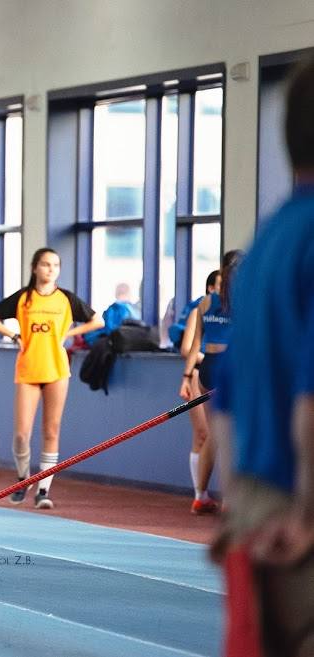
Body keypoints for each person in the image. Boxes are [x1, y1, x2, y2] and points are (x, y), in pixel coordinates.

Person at [211, 57, 314, 657]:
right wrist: (306, 514)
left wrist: (237, 513)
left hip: (255, 500)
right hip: (298, 515)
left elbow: (226, 401)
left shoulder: (266, 240)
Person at [0, 247, 103, 510]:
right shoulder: (24, 298)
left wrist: (69, 334)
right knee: (22, 434)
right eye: (46, 264)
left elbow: (98, 321)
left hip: (57, 369)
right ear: (35, 267)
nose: (51, 269)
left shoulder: (66, 299)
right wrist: (13, 335)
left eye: (55, 265)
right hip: (28, 369)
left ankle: (43, 490)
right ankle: (23, 478)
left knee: (51, 431)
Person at [178, 251, 241, 515]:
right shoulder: (245, 300)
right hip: (228, 369)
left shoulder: (205, 302)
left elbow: (194, 345)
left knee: (215, 435)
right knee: (231, 436)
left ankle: (200, 496)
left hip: (206, 370)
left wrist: (187, 376)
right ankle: (229, 501)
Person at [176, 270, 221, 514]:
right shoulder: (200, 310)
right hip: (200, 374)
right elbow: (187, 348)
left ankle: (203, 495)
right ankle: (199, 494)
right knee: (203, 434)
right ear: (211, 289)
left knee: (215, 435)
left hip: (223, 374)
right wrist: (213, 357)